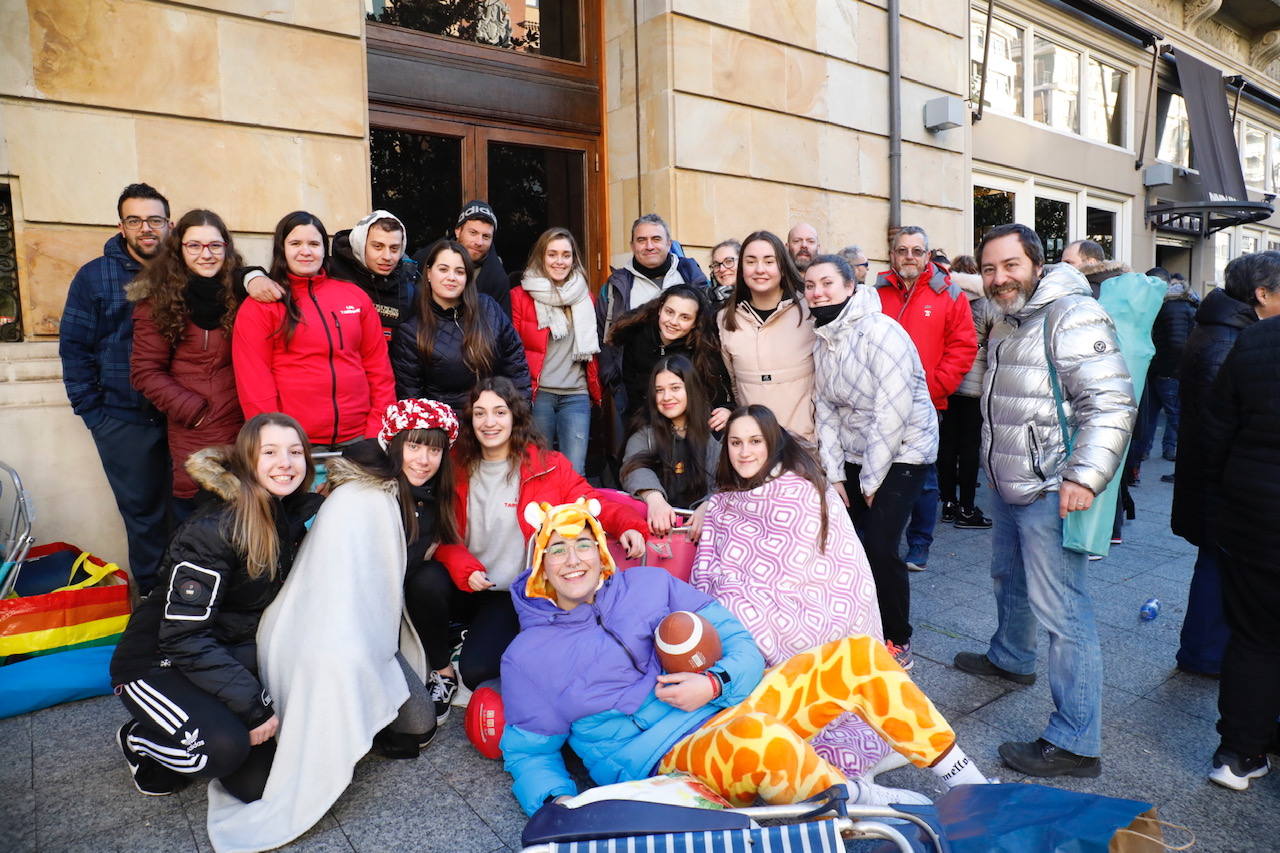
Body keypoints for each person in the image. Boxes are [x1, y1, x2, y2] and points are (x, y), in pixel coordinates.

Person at [499, 499, 989, 816]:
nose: (573, 560)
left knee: (858, 656)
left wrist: (713, 683)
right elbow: (529, 750)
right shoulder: (527, 656)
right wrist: (555, 805)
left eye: (583, 544)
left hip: (730, 705)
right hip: (667, 759)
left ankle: (969, 783)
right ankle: (866, 807)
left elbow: (738, 642)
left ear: (601, 551)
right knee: (754, 737)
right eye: (556, 550)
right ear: (540, 566)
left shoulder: (649, 583)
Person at [953, 224, 1135, 778]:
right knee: (1007, 576)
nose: (999, 277)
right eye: (989, 269)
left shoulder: (1070, 313)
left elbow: (1111, 402)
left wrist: (1084, 476)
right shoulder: (1007, 315)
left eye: (1010, 265)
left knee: (1064, 612)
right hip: (1010, 480)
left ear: (1036, 262)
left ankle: (1077, 741)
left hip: (1053, 486)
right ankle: (1011, 657)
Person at [109, 413, 321, 800]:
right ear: (246, 462)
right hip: (157, 660)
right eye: (269, 452)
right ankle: (140, 740)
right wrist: (253, 709)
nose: (285, 463)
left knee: (258, 786)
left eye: (295, 452)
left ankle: (217, 722)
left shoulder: (287, 516)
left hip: (225, 652)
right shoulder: (214, 529)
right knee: (220, 750)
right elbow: (183, 637)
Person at [692, 405, 899, 777]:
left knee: (741, 622)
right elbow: (716, 563)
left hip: (812, 609)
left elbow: (809, 569)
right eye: (736, 443)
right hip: (747, 604)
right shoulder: (726, 500)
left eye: (755, 441)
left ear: (772, 443)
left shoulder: (799, 490)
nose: (744, 451)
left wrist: (744, 603)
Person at [437, 377, 647, 689]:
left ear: (515, 417)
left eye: (500, 412)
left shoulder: (547, 466)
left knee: (478, 670)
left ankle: (487, 642)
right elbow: (439, 535)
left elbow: (592, 503)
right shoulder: (454, 467)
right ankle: (444, 654)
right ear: (470, 419)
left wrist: (631, 525)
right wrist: (462, 566)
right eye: (480, 413)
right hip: (463, 583)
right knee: (425, 582)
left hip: (508, 592)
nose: (489, 422)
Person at [806, 255, 937, 671]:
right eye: (810, 285)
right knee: (852, 546)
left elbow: (892, 410)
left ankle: (898, 637)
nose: (818, 292)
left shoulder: (882, 332)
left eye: (827, 283)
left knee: (880, 545)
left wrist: (871, 479)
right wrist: (836, 473)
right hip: (856, 454)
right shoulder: (823, 338)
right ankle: (862, 624)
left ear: (849, 286)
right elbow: (824, 408)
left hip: (905, 451)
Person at [59, 183, 173, 594]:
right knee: (143, 519)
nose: (146, 228)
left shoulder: (186, 269)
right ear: (121, 226)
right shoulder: (94, 276)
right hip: (123, 421)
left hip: (183, 418)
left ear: (169, 224)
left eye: (155, 220)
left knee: (190, 513)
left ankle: (194, 608)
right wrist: (95, 415)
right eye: (135, 220)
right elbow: (74, 349)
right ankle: (154, 616)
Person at [1171, 253, 1270, 679]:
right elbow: (1219, 426)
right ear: (1261, 294)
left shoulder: (1226, 329)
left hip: (1212, 478)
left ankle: (1203, 650)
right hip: (1219, 483)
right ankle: (1203, 655)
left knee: (1216, 564)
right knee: (1217, 565)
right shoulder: (1230, 339)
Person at [1200, 269, 1280, 790]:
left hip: (1255, 516)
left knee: (1254, 636)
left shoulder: (1256, 339)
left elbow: (1216, 428)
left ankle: (1239, 753)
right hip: (1256, 511)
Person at [344, 398, 467, 725]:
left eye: (434, 450)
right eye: (414, 446)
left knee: (431, 577)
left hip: (406, 605)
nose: (424, 460)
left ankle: (443, 669)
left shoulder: (435, 497)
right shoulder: (368, 491)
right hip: (358, 609)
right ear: (395, 445)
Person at [232, 211, 395, 450]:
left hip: (359, 439)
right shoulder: (261, 305)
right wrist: (276, 441)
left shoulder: (355, 296)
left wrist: (375, 431)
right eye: (296, 243)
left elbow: (379, 369)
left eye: (314, 244)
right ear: (282, 248)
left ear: (324, 249)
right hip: (297, 443)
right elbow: (254, 384)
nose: (306, 251)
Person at [128, 209, 246, 521]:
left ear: (226, 248)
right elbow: (145, 372)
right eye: (195, 246)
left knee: (248, 524)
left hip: (244, 425)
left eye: (215, 246)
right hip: (195, 431)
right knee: (200, 525)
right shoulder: (158, 300)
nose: (206, 254)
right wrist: (194, 411)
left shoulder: (240, 292)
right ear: (179, 250)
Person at [875, 226, 978, 571]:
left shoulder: (949, 294)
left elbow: (963, 347)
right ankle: (881, 541)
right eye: (902, 250)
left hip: (926, 404)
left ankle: (919, 544)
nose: (909, 257)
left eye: (916, 251)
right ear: (892, 254)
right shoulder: (874, 293)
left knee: (924, 478)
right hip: (878, 402)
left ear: (927, 256)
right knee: (877, 470)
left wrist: (934, 388)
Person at [390, 238, 531, 416]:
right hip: (446, 430)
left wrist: (520, 413)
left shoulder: (488, 308)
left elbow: (516, 364)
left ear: (467, 277)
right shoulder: (412, 332)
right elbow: (412, 398)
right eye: (443, 269)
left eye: (459, 271)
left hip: (493, 423)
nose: (451, 277)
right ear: (428, 273)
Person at [243, 210, 419, 341]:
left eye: (394, 249)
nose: (387, 257)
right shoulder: (330, 270)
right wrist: (252, 277)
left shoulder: (408, 286)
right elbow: (275, 279)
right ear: (360, 244)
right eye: (378, 247)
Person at [512, 227, 602, 473]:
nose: (559, 261)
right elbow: (513, 350)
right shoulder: (520, 296)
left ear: (574, 259)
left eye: (566, 254)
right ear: (541, 256)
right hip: (538, 396)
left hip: (577, 395)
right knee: (537, 470)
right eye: (552, 254)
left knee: (575, 472)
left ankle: (571, 514)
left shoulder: (586, 298)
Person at [717, 230, 817, 442]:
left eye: (769, 261)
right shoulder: (725, 319)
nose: (759, 269)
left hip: (805, 444)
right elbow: (734, 384)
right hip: (753, 447)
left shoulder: (810, 311)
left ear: (782, 265)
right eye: (751, 261)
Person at [606, 283, 733, 430]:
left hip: (693, 426)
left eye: (684, 317)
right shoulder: (638, 336)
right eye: (669, 312)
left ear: (695, 323)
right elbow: (632, 389)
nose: (673, 322)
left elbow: (718, 389)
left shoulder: (703, 347)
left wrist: (727, 409)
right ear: (660, 309)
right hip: (648, 423)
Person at [621, 355, 721, 540]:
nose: (666, 397)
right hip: (660, 537)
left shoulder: (714, 430)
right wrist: (654, 498)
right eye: (659, 390)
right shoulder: (646, 434)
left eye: (675, 388)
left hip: (709, 537)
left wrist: (710, 505)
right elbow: (633, 467)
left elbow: (730, 479)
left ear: (691, 389)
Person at [936, 254, 994, 529]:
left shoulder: (945, 296)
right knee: (970, 447)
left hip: (946, 380)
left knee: (946, 445)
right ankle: (967, 507)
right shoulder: (986, 302)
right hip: (975, 384)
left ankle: (947, 503)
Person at [596, 213, 708, 341]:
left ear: (669, 243)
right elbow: (602, 338)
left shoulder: (691, 275)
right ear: (632, 246)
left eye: (656, 239)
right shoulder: (614, 288)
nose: (649, 246)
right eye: (641, 240)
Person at [410, 200, 510, 316]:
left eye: (486, 236)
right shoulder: (425, 259)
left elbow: (502, 327)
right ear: (458, 231)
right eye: (473, 233)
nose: (479, 242)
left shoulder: (497, 279)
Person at [1140, 279, 1197, 466]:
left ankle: (1145, 450)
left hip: (1162, 369)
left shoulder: (1166, 307)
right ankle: (1171, 449)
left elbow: (1172, 342)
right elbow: (1179, 343)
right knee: (1174, 413)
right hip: (1171, 370)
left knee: (1156, 413)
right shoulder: (1186, 308)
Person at [707, 239, 741, 303]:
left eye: (728, 261)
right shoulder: (706, 302)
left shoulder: (759, 297)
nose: (722, 269)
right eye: (716, 265)